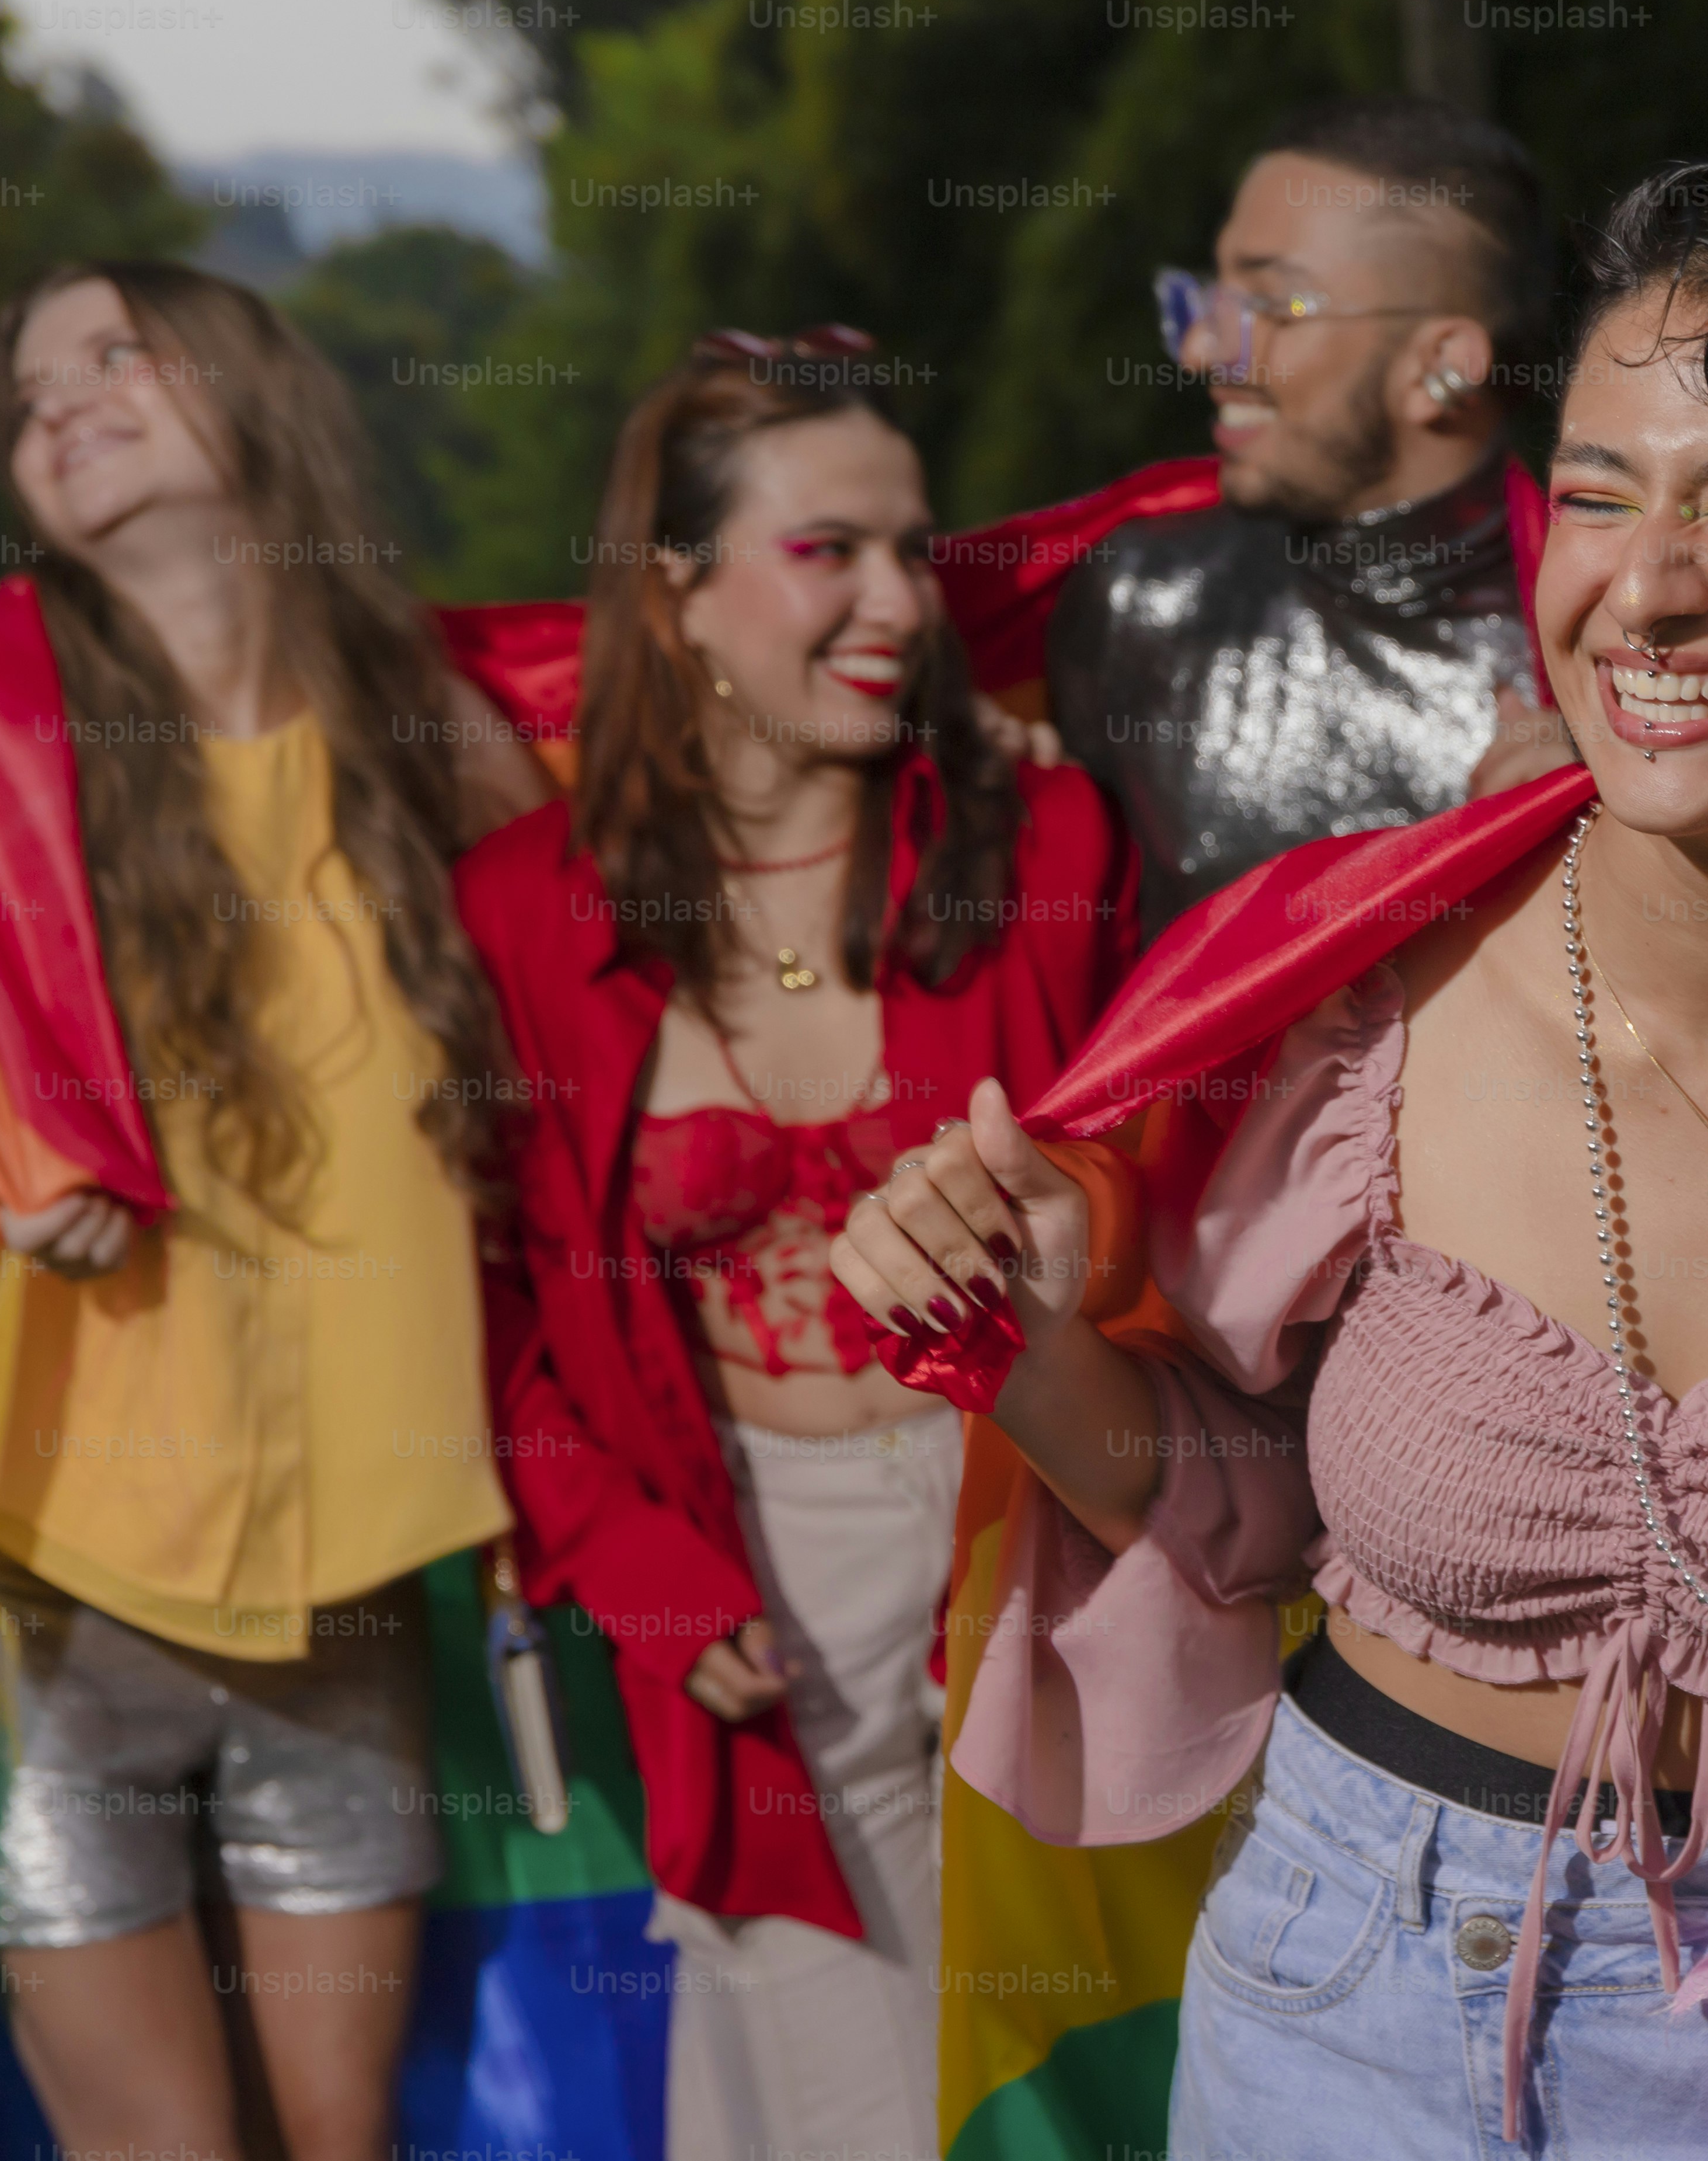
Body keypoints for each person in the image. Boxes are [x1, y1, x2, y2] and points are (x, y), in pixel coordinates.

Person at [836, 165, 1708, 2158]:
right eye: (1598, 494)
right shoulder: (1360, 995)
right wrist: (1021, 1351)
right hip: (1344, 2010)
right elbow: (1250, 1515)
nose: (1646, 589)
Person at [0, 261, 546, 2161]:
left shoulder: (440, 739)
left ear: (257, 395)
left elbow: (625, 1021)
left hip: (357, 1601)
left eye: (118, 355)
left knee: (346, 2141)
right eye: (31, 391)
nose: (63, 403)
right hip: (66, 1594)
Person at [457, 332, 1134, 2161]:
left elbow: (1155, 1218)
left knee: (1075, 2093)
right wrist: (635, 1568)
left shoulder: (1051, 839)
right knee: (826, 2112)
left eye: (914, 551)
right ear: (676, 597)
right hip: (751, 1571)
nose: (899, 600)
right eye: (828, 550)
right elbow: (499, 1317)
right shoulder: (523, 912)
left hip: (1044, 1548)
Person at [1040, 93, 1578, 941]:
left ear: (1441, 366)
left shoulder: (1607, 648)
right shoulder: (1142, 604)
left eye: (1274, 307)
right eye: (1211, 297)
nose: (1203, 349)